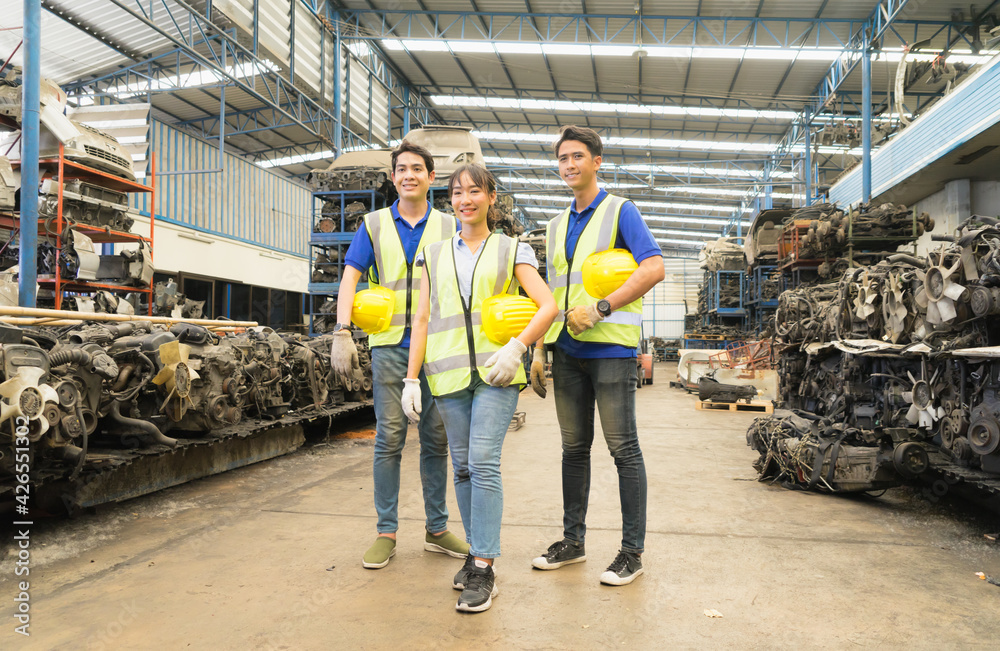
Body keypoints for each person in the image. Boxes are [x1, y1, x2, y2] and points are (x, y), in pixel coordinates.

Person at [403, 164, 557, 613]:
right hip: (447, 374)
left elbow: (546, 306)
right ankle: (475, 553)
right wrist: (412, 377)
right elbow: (422, 319)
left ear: (491, 197)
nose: (465, 199)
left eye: (475, 191)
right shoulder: (431, 253)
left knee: (484, 462)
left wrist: (519, 347)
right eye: (457, 192)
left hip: (497, 371)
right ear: (449, 200)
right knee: (464, 467)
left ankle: (485, 566)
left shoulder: (514, 250)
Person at [530, 125, 664, 586]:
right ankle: (574, 542)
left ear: (597, 161)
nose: (569, 165)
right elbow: (551, 293)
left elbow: (654, 267)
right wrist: (540, 349)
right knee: (573, 449)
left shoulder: (620, 211)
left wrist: (603, 307)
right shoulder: (553, 225)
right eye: (563, 158)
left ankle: (632, 552)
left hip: (611, 350)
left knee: (623, 449)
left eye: (578, 156)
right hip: (566, 352)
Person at [330, 141, 469, 569]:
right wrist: (342, 331)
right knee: (389, 439)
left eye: (417, 168)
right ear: (393, 178)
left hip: (438, 347)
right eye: (402, 169)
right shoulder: (373, 224)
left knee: (436, 440)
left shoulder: (450, 226)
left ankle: (437, 528)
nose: (409, 175)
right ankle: (386, 531)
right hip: (390, 345)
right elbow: (350, 277)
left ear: (431, 176)